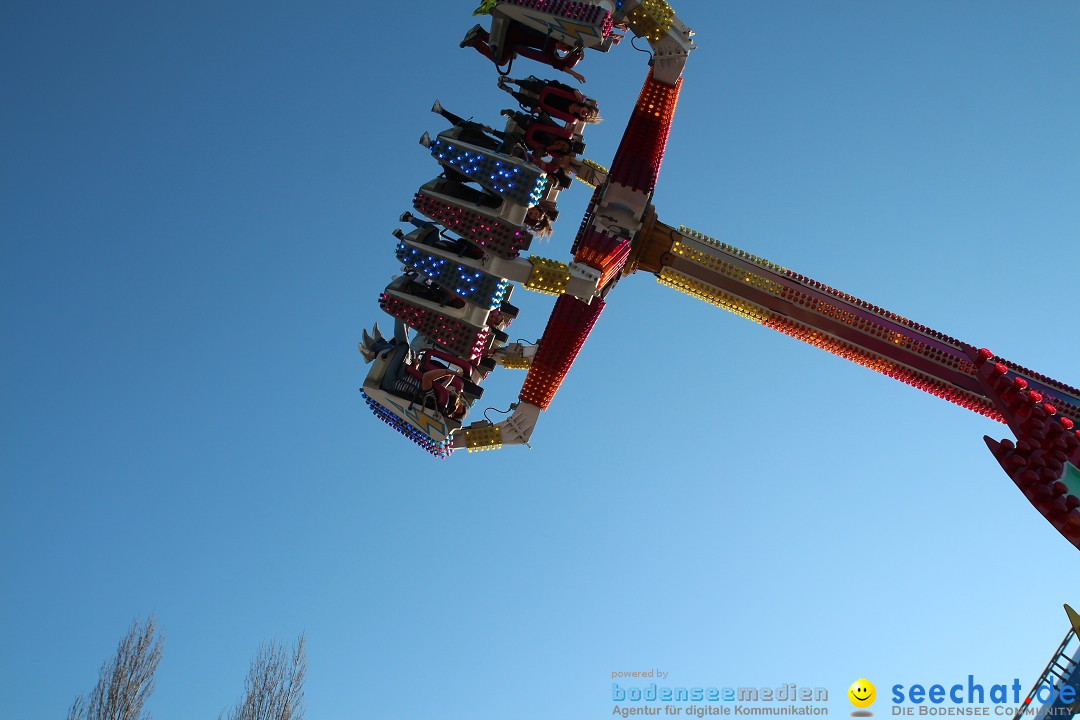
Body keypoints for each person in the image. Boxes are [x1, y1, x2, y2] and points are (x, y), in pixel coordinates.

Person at [461, 23, 586, 83]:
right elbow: (554, 62)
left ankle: (481, 34)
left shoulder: (552, 35)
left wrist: (576, 53)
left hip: (517, 34)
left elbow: (556, 59)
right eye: (565, 49)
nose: (562, 51)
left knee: (507, 51)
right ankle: (476, 41)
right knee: (501, 60)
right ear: (564, 43)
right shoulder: (551, 42)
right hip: (515, 36)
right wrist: (573, 74)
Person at [497, 76, 601, 125]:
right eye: (588, 112)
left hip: (544, 105)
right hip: (548, 91)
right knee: (536, 87)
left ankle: (509, 91)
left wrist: (541, 112)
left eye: (587, 116)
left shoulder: (571, 117)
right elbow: (562, 87)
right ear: (587, 107)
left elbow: (554, 115)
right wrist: (575, 90)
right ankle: (513, 80)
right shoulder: (577, 97)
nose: (586, 114)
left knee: (528, 102)